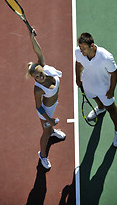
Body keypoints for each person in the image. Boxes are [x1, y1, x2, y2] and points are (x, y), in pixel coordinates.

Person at [26, 29, 66, 169]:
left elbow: (38, 52)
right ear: (34, 79)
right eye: (36, 77)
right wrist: (50, 120)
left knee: (49, 131)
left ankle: (52, 132)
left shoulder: (44, 67)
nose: (40, 77)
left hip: (53, 105)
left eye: (40, 74)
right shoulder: (38, 89)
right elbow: (38, 107)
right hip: (45, 112)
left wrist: (32, 38)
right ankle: (42, 156)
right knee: (45, 134)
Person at [75, 33, 117, 147]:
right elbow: (78, 63)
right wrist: (77, 77)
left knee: (111, 108)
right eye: (80, 47)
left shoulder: (105, 57)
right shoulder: (78, 52)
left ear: (92, 46)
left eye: (84, 48)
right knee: (94, 98)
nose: (81, 50)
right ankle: (100, 109)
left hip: (104, 89)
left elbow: (114, 73)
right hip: (88, 85)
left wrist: (111, 90)